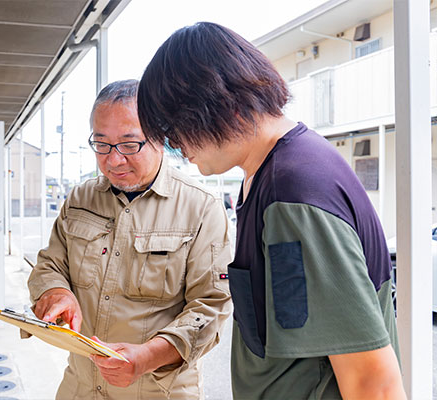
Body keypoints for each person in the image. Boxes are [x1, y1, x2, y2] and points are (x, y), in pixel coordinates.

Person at [137, 22, 406, 399]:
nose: (173, 144)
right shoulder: (270, 175)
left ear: (211, 105)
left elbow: (373, 384)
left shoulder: (292, 191)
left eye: (172, 129)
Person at [27, 79, 232, 399]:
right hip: (80, 388)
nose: (113, 159)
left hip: (157, 391)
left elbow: (211, 307)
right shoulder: (81, 198)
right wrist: (55, 292)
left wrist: (147, 357)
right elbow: (51, 262)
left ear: (161, 137)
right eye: (102, 143)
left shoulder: (200, 208)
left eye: (128, 144)